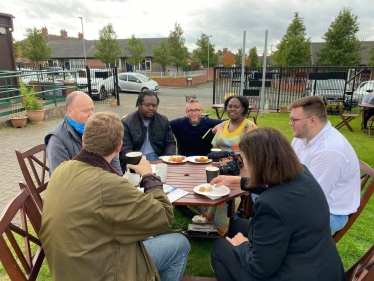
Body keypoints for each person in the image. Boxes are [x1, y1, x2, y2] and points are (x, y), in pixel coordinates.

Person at [40, 112, 190, 281]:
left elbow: (96, 215)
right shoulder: (108, 184)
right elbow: (163, 216)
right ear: (119, 146)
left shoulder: (62, 169)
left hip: (70, 266)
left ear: (84, 140)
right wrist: (149, 176)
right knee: (180, 243)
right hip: (101, 272)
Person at [210, 128, 346, 281]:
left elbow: (260, 268)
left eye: (244, 159)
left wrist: (242, 245)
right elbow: (275, 184)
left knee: (220, 248)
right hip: (318, 263)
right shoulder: (302, 173)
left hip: (292, 274)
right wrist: (237, 181)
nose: (243, 163)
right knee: (238, 226)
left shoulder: (269, 206)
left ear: (258, 163)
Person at [289, 96, 360, 232]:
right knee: (259, 194)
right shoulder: (302, 136)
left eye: (294, 120)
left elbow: (311, 198)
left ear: (313, 121)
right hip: (307, 199)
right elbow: (287, 168)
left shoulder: (329, 150)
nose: (290, 123)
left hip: (329, 213)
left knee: (274, 221)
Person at [45, 91, 122, 175]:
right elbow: (60, 178)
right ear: (70, 111)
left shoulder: (95, 127)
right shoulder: (57, 140)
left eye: (92, 109)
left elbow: (112, 155)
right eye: (86, 111)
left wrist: (119, 179)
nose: (91, 115)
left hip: (102, 180)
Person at [119, 90, 176, 172]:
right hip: (137, 161)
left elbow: (170, 143)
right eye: (147, 105)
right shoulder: (127, 122)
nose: (151, 108)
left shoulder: (163, 121)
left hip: (158, 159)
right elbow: (125, 149)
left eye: (154, 105)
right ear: (139, 104)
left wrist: (166, 159)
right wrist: (140, 161)